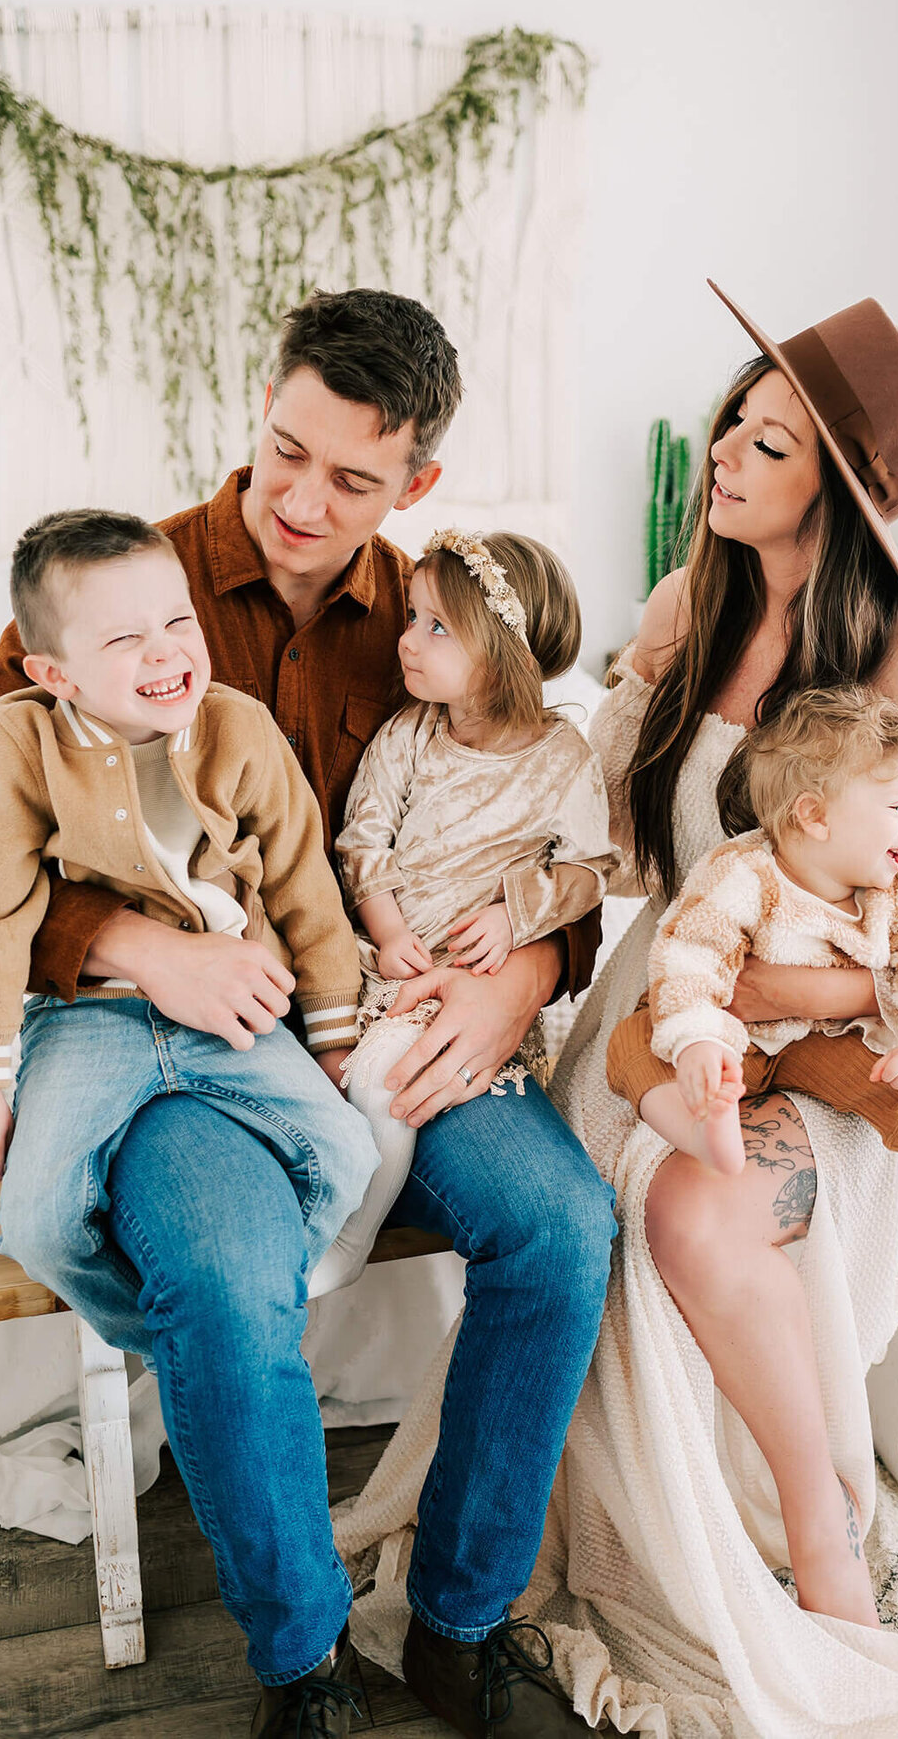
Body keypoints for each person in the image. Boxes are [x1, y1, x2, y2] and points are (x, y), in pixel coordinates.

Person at [333, 283, 898, 1737]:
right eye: (731, 429)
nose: (727, 461)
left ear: (848, 499)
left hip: (858, 1027)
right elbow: (608, 833)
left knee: (688, 1202)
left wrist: (845, 1017)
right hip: (673, 992)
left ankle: (821, 1526)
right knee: (603, 1177)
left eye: (772, 447)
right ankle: (552, 1528)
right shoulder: (696, 609)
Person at [0, 289, 616, 1739]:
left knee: (565, 1229)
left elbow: (547, 824)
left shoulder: (443, 617)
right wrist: (120, 946)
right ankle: (303, 1661)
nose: (300, 499)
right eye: (284, 450)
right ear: (265, 409)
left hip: (402, 1028)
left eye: (353, 479)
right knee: (225, 1281)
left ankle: (462, 1623)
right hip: (186, 1053)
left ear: (415, 484)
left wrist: (522, 978)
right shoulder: (124, 585)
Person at [0, 508, 379, 1314]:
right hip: (89, 1016)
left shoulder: (237, 726)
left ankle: (278, 1292)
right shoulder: (17, 740)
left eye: (178, 620)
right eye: (123, 640)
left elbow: (302, 881)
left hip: (240, 1009)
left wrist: (333, 1032)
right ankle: (151, 1327)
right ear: (55, 674)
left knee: (349, 1156)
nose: (167, 649)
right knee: (37, 1225)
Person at [310, 527, 616, 1297]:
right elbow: (362, 839)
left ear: (504, 656)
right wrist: (387, 934)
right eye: (412, 617)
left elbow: (589, 869)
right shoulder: (411, 733)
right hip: (383, 961)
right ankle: (336, 1206)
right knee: (363, 1073)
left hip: (466, 981)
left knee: (388, 1080)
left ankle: (350, 1235)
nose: (408, 641)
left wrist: (517, 919)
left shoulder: (562, 758)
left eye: (436, 627)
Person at [606, 684, 898, 1196]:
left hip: (825, 1037)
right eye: (897, 808)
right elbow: (690, 956)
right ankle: (701, 1125)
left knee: (882, 1073)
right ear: (814, 816)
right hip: (731, 1033)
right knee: (631, 1043)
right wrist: (699, 1042)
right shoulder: (743, 874)